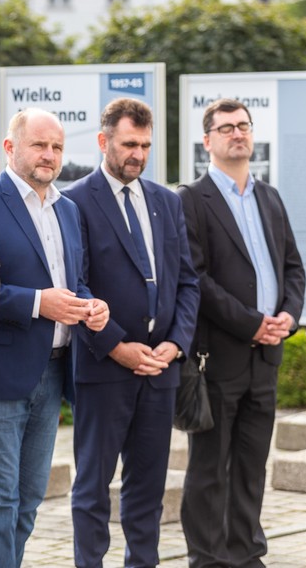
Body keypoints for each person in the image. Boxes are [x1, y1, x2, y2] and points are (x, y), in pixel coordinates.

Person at [63, 97, 199, 567]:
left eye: (144, 145)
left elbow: (187, 282)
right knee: (92, 488)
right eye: (128, 144)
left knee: (148, 489)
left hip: (160, 371)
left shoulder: (166, 201)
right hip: (103, 370)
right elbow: (76, 286)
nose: (137, 154)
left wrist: (175, 344)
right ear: (104, 141)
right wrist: (117, 346)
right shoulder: (74, 201)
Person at [0, 108, 110, 568]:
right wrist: (36, 303)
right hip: (0, 375)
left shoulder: (68, 209)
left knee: (29, 500)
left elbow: (76, 281)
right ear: (10, 148)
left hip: (53, 375)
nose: (49, 155)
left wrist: (90, 305)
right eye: (39, 145)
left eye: (57, 147)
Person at [178, 98, 305, 568]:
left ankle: (246, 553)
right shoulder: (192, 199)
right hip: (218, 356)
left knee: (252, 465)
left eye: (244, 126)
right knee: (210, 467)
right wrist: (253, 323)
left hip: (266, 358)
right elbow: (196, 279)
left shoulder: (269, 197)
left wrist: (287, 316)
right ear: (207, 141)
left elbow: (292, 267)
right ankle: (207, 559)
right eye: (227, 127)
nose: (238, 133)